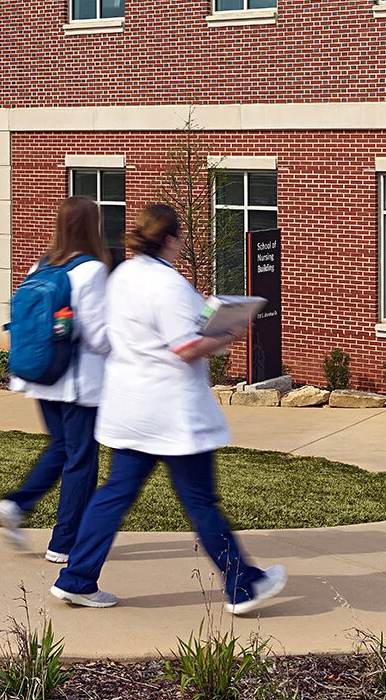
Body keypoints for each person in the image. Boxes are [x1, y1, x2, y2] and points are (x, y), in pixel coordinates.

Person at [49, 203, 287, 617]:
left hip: (130, 408)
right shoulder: (169, 285)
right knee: (200, 500)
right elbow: (186, 347)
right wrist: (231, 329)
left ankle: (76, 578)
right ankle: (243, 586)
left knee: (113, 495)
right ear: (172, 240)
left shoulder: (122, 275)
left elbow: (110, 334)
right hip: (173, 414)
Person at [0, 196, 115, 564]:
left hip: (41, 374)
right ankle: (64, 544)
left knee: (61, 448)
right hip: (76, 384)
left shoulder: (41, 266)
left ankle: (17, 504)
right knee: (81, 460)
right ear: (92, 226)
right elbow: (98, 336)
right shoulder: (91, 270)